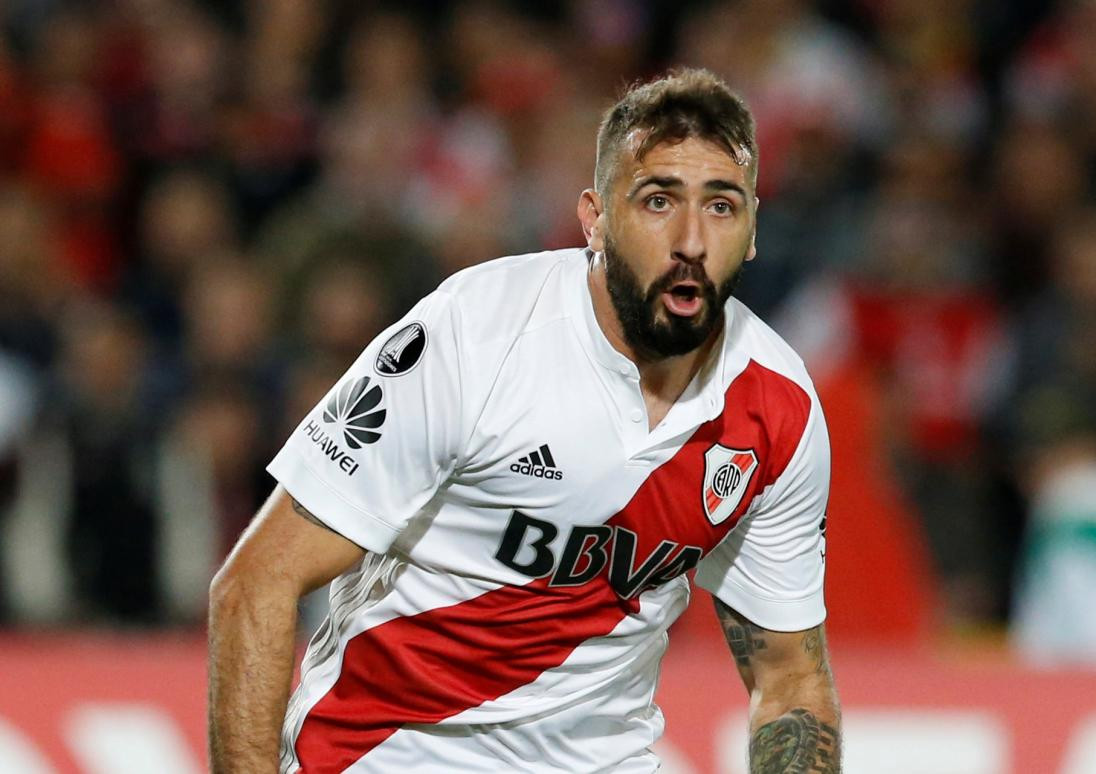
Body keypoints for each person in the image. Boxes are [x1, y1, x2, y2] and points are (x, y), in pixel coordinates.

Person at [208, 68, 840, 774]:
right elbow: (254, 584)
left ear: (753, 232)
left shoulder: (777, 409)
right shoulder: (477, 337)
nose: (691, 239)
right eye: (659, 200)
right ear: (595, 218)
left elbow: (790, 686)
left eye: (721, 207)